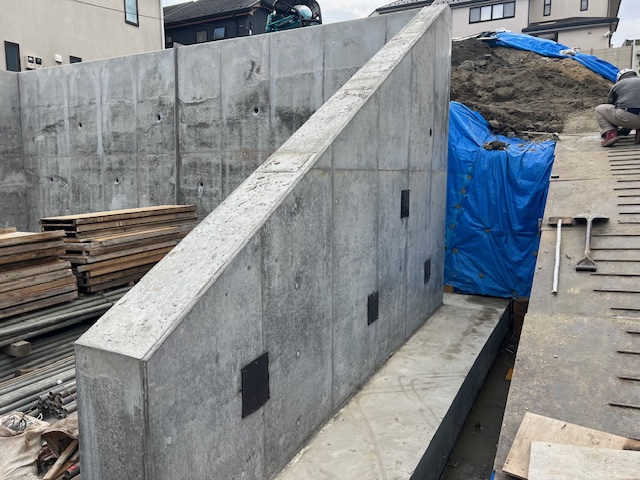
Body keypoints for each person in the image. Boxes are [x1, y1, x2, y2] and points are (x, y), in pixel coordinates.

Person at [595, 68, 640, 147]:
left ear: (620, 78)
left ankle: (610, 134)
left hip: (628, 117)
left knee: (600, 109)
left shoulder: (618, 85)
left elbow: (612, 104)